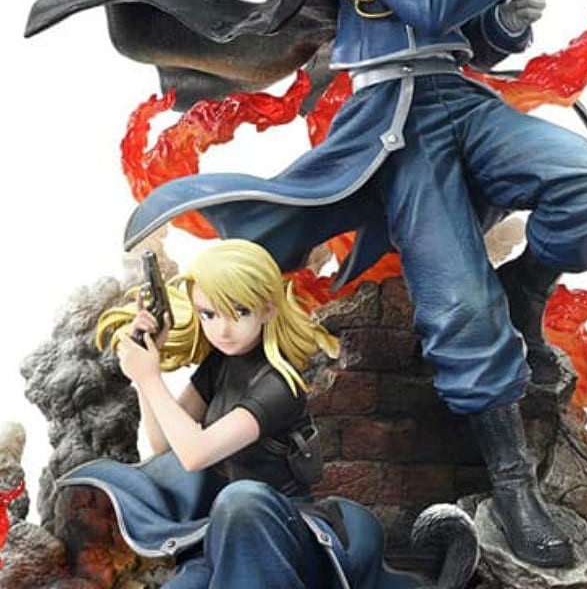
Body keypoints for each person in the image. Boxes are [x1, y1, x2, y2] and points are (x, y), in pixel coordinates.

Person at [34, 0, 587, 569]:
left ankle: (527, 288)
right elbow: (424, 4)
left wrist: (513, 17)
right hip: (398, 125)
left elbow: (471, 38)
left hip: (462, 103)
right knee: (460, 306)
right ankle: (514, 488)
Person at [59, 240, 437, 588]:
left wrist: (150, 377)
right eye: (208, 314)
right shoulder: (220, 364)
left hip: (279, 529)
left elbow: (196, 454)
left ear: (268, 307)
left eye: (239, 312)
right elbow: (165, 446)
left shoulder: (280, 384)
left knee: (241, 499)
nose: (222, 329)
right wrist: (147, 371)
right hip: (221, 531)